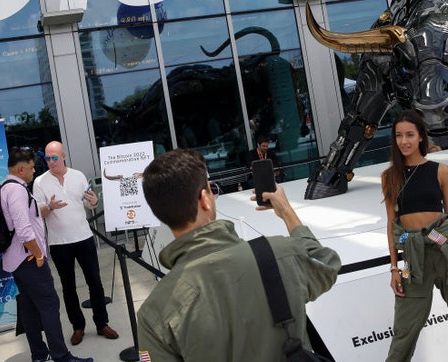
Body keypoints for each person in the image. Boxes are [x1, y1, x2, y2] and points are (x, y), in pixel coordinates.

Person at [137, 149, 340, 360]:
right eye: (210, 189)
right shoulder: (280, 254)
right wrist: (287, 212)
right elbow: (327, 263)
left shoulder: (153, 313)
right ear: (205, 199)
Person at [383, 110, 448, 362]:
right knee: (405, 329)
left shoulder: (440, 171)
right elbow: (391, 224)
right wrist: (394, 268)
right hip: (410, 256)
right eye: (398, 135)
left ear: (420, 137)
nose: (404, 141)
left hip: (446, 248)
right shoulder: (389, 177)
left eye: (409, 134)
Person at [0, 147, 92, 362]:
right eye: (31, 168)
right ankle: (62, 356)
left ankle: (40, 355)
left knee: (30, 308)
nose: (33, 171)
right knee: (49, 306)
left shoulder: (7, 187)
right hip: (29, 261)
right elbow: (24, 230)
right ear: (21, 168)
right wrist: (39, 255)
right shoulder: (16, 190)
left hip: (19, 261)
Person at [32, 141, 118, 346]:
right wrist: (50, 207)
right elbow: (37, 213)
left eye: (54, 157)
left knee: (95, 283)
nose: (50, 162)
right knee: (68, 287)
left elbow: (89, 204)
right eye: (47, 158)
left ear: (63, 156)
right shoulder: (40, 182)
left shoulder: (78, 176)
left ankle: (101, 323)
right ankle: (77, 327)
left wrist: (94, 201)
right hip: (59, 243)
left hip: (84, 238)